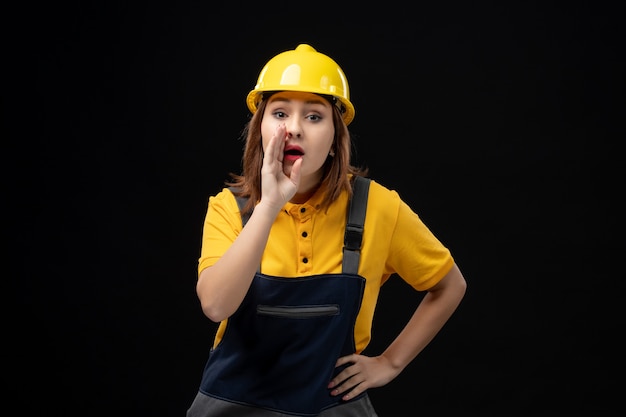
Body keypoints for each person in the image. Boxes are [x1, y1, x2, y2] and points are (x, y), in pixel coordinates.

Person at [187, 44, 467, 417]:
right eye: (280, 112)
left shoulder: (377, 208)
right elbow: (216, 305)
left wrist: (390, 362)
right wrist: (269, 205)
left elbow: (450, 285)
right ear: (260, 129)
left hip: (332, 407)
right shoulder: (228, 208)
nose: (295, 128)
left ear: (336, 137)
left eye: (315, 116)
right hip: (233, 406)